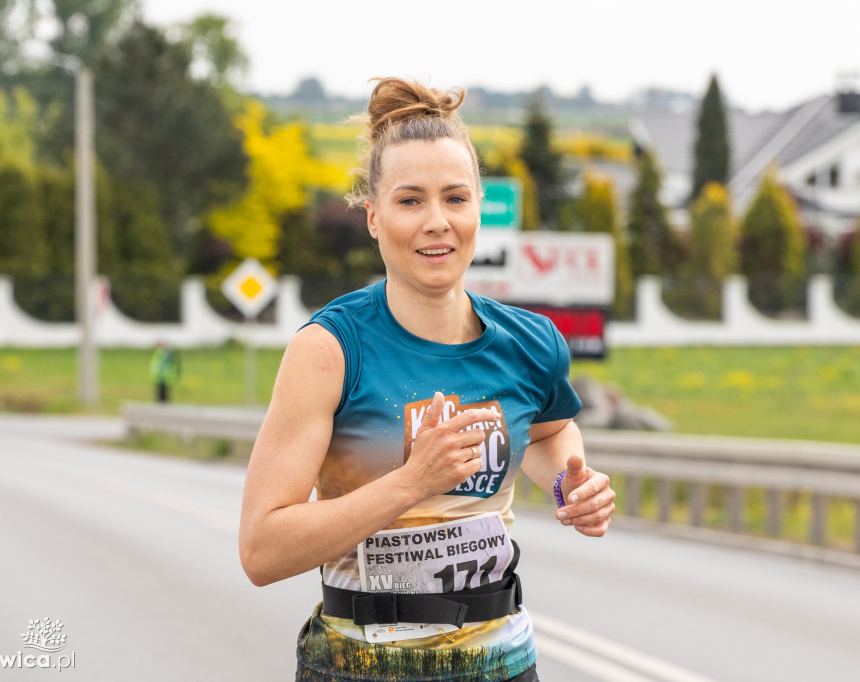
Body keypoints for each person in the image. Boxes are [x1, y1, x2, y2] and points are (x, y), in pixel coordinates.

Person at [239, 78, 616, 682]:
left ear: (477, 208)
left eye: (456, 199)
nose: (437, 222)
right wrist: (412, 482)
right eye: (410, 200)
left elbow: (548, 434)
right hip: (359, 666)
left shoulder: (529, 342)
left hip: (502, 664)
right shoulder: (329, 351)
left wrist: (571, 487)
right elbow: (261, 550)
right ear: (373, 217)